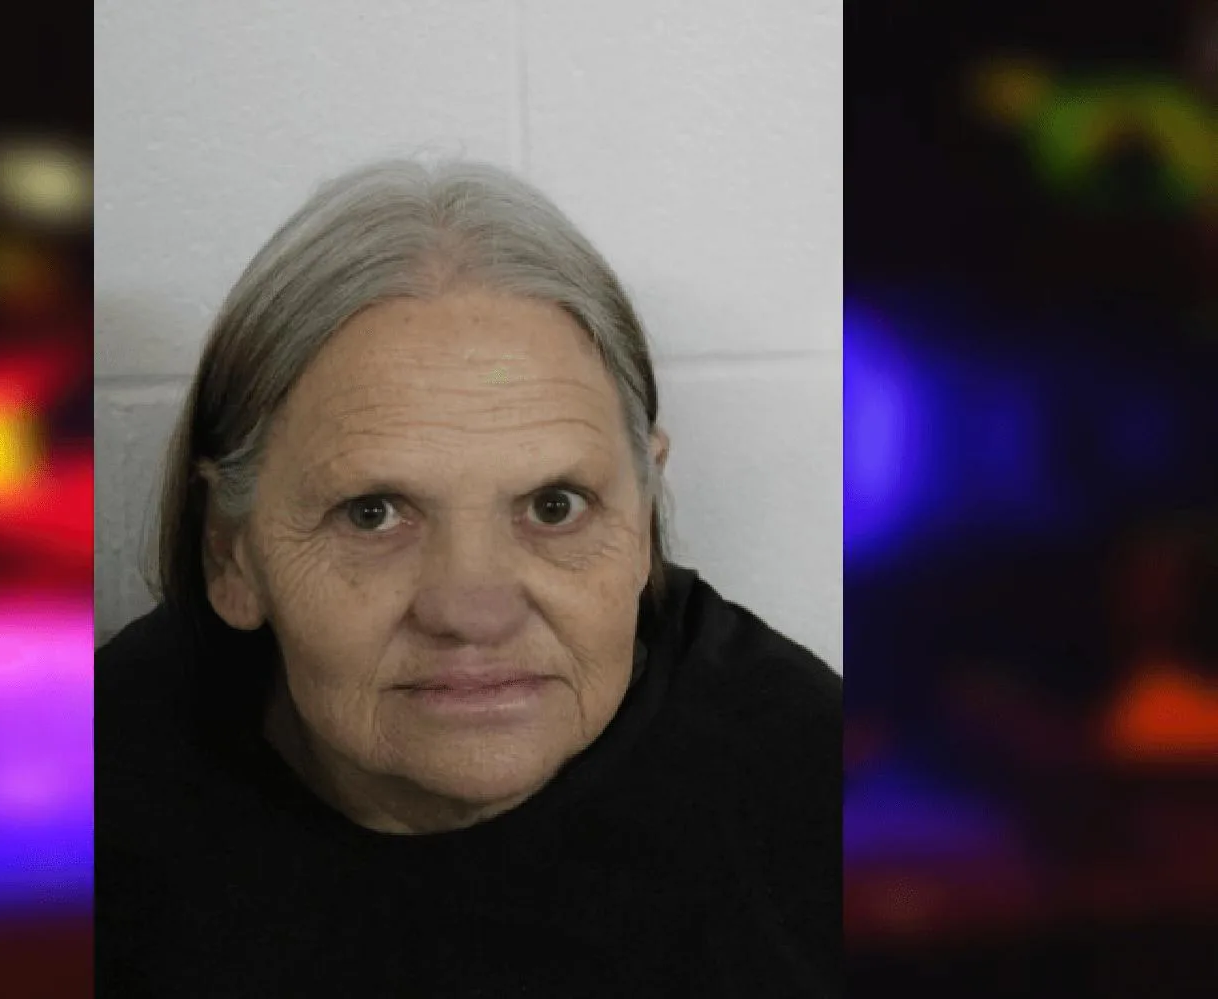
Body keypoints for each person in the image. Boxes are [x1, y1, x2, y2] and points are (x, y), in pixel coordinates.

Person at [96, 157, 840, 997]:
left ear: (642, 516)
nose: (474, 610)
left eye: (555, 506)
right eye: (373, 512)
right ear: (232, 551)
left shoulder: (825, 800)